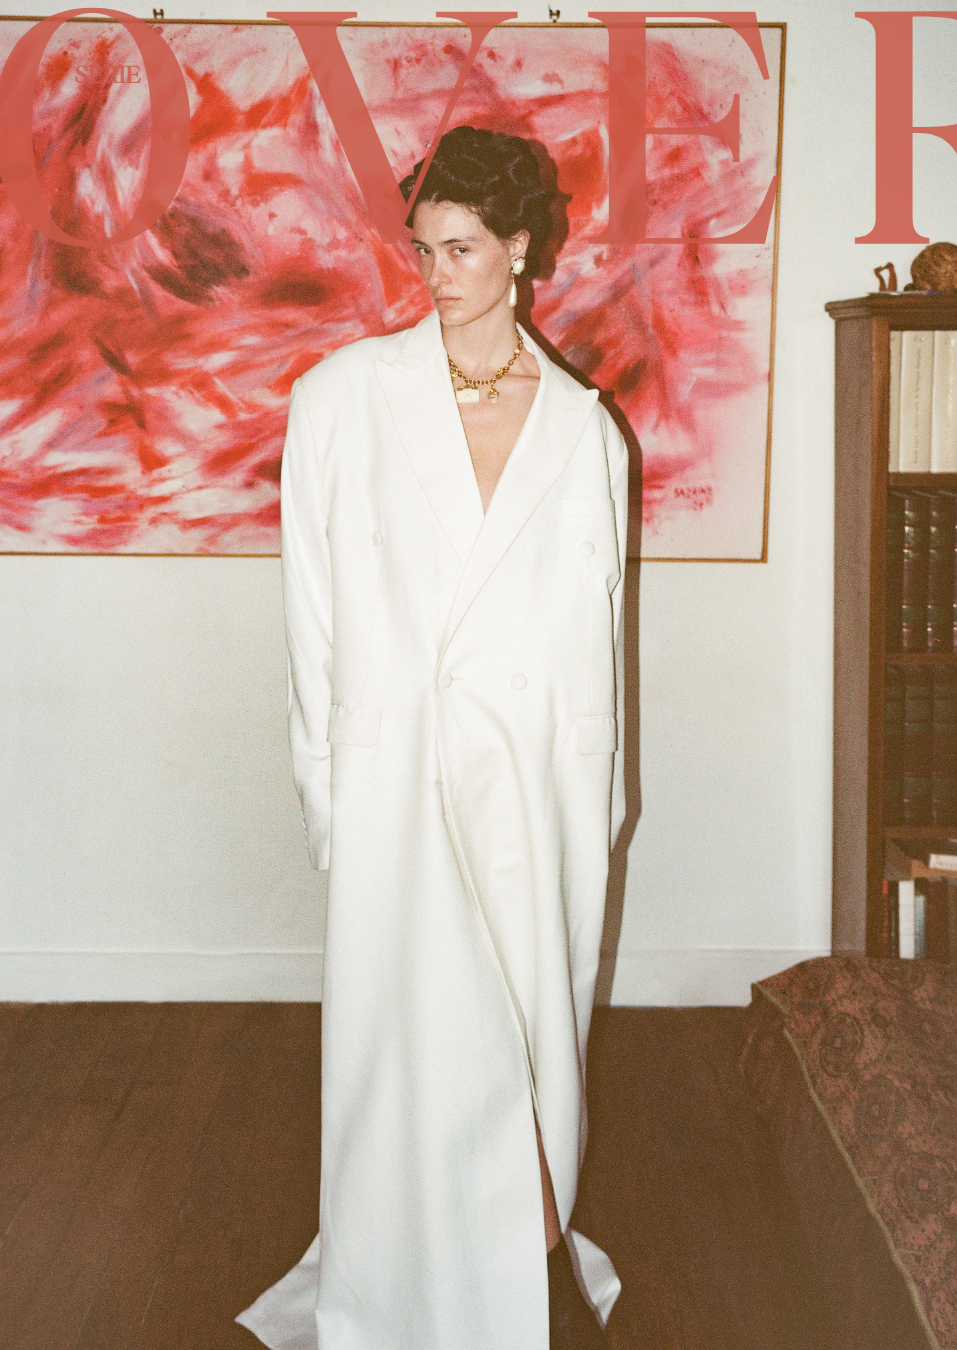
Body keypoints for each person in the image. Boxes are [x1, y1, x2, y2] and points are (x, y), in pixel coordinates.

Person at [236, 125, 628, 1350]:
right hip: (394, 771)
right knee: (399, 1043)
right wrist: (326, 784)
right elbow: (311, 609)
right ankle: (390, 1274)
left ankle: (529, 1253)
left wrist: (596, 796)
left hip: (529, 778)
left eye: (462, 248)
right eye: (423, 248)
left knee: (530, 1030)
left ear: (521, 250)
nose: (436, 273)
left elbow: (598, 634)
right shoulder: (341, 399)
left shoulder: (583, 431)